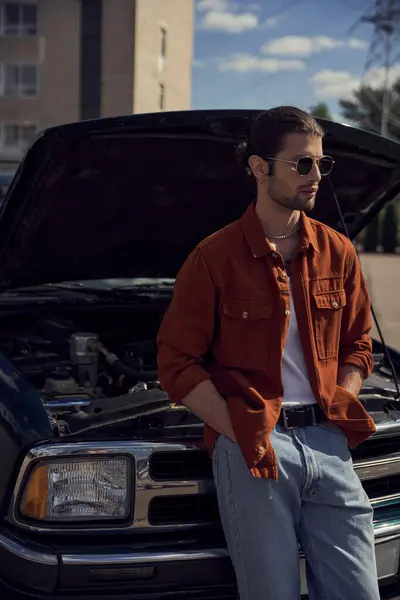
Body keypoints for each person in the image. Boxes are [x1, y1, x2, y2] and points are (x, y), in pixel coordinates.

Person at [157, 106, 379, 600]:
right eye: (302, 164)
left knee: (359, 592)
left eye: (322, 164)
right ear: (260, 167)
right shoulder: (213, 257)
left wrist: (341, 400)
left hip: (328, 441)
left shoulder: (338, 250)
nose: (316, 175)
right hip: (255, 448)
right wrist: (240, 430)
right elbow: (176, 362)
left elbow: (359, 344)